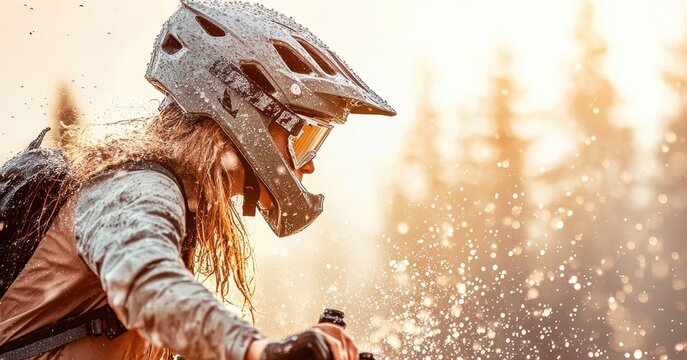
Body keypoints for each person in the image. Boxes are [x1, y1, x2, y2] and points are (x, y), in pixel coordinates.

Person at [0, 0, 395, 359]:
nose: (306, 166)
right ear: (243, 107)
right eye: (303, 138)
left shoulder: (175, 199)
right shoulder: (136, 189)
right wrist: (260, 352)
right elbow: (151, 289)